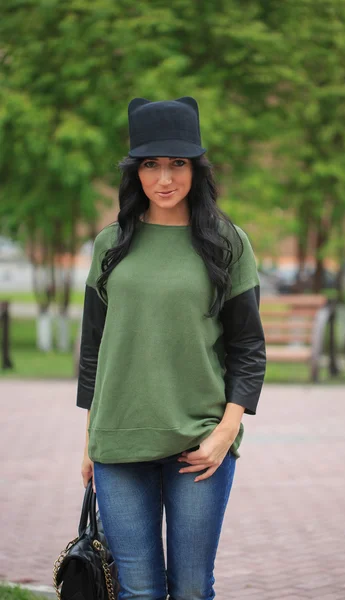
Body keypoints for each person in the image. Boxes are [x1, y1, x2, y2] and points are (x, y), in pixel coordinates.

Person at [76, 96, 267, 600]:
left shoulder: (228, 243)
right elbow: (95, 347)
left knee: (189, 589)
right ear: (135, 172)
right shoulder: (110, 244)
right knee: (137, 591)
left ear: (196, 168)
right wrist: (90, 438)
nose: (165, 178)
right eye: (151, 165)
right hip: (119, 444)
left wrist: (227, 433)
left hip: (199, 443)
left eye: (177, 164)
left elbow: (249, 346)